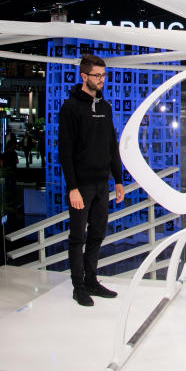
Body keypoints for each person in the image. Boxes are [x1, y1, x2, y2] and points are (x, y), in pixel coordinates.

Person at [58, 54, 126, 306]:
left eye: (104, 75)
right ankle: (78, 287)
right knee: (78, 237)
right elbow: (65, 151)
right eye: (97, 76)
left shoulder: (105, 108)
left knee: (98, 233)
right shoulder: (70, 108)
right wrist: (72, 188)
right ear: (84, 76)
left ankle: (91, 280)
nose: (102, 80)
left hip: (102, 183)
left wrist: (118, 180)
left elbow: (111, 146)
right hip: (81, 185)